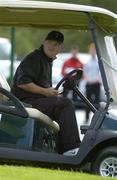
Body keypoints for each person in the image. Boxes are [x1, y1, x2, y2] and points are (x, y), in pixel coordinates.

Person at [11, 31, 81, 156]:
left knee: (62, 104)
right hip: (24, 102)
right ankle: (71, 149)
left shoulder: (47, 60)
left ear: (60, 48)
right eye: (49, 43)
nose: (52, 46)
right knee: (65, 104)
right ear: (43, 42)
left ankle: (60, 150)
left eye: (56, 44)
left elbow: (41, 85)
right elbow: (23, 83)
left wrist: (51, 91)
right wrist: (46, 91)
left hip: (34, 100)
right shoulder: (34, 58)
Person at [83, 43, 101, 123]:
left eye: (94, 50)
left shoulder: (99, 61)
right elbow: (85, 73)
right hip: (89, 84)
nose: (93, 51)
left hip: (96, 84)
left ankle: (97, 118)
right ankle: (86, 118)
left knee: (97, 101)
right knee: (88, 101)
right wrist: (87, 79)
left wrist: (97, 79)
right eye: (91, 50)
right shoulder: (87, 62)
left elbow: (100, 73)